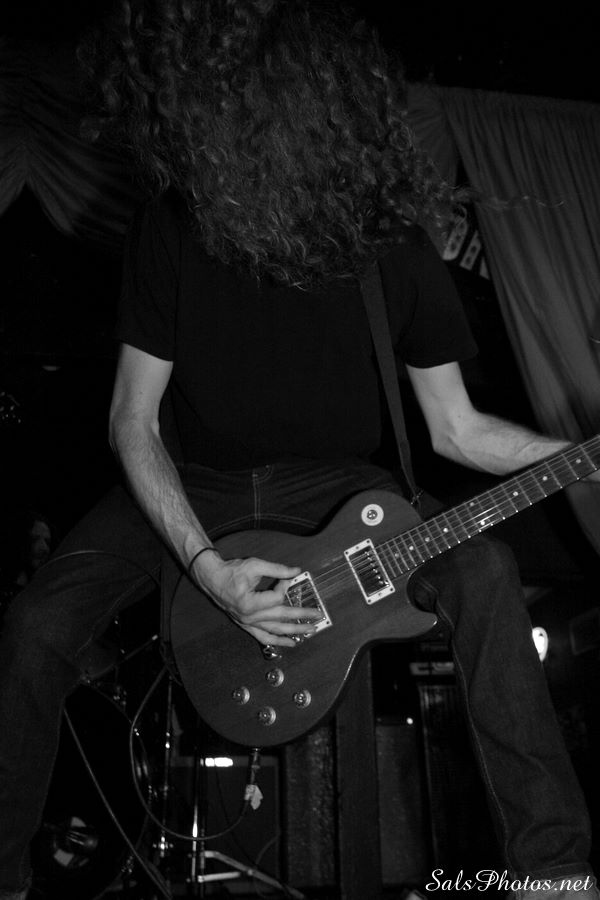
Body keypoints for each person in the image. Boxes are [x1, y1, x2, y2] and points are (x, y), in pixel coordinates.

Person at [0, 2, 598, 897]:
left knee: (485, 573)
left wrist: (580, 455)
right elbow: (133, 421)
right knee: (35, 627)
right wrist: (209, 573)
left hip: (343, 489)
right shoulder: (174, 223)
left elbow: (457, 429)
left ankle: (554, 873)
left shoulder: (389, 242)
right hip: (190, 483)